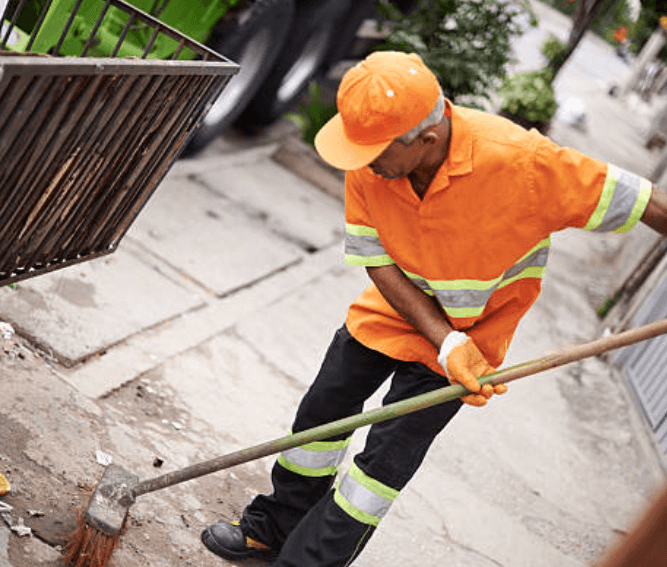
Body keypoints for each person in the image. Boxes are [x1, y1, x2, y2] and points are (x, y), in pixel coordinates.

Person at [200, 51, 667, 566]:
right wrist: (442, 338)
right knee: (320, 418)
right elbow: (376, 259)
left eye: (374, 150)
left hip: (471, 342)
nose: (361, 162)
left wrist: (454, 347)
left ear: (426, 138)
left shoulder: (523, 163)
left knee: (378, 470)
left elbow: (645, 201)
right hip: (393, 313)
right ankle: (275, 527)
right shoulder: (370, 157)